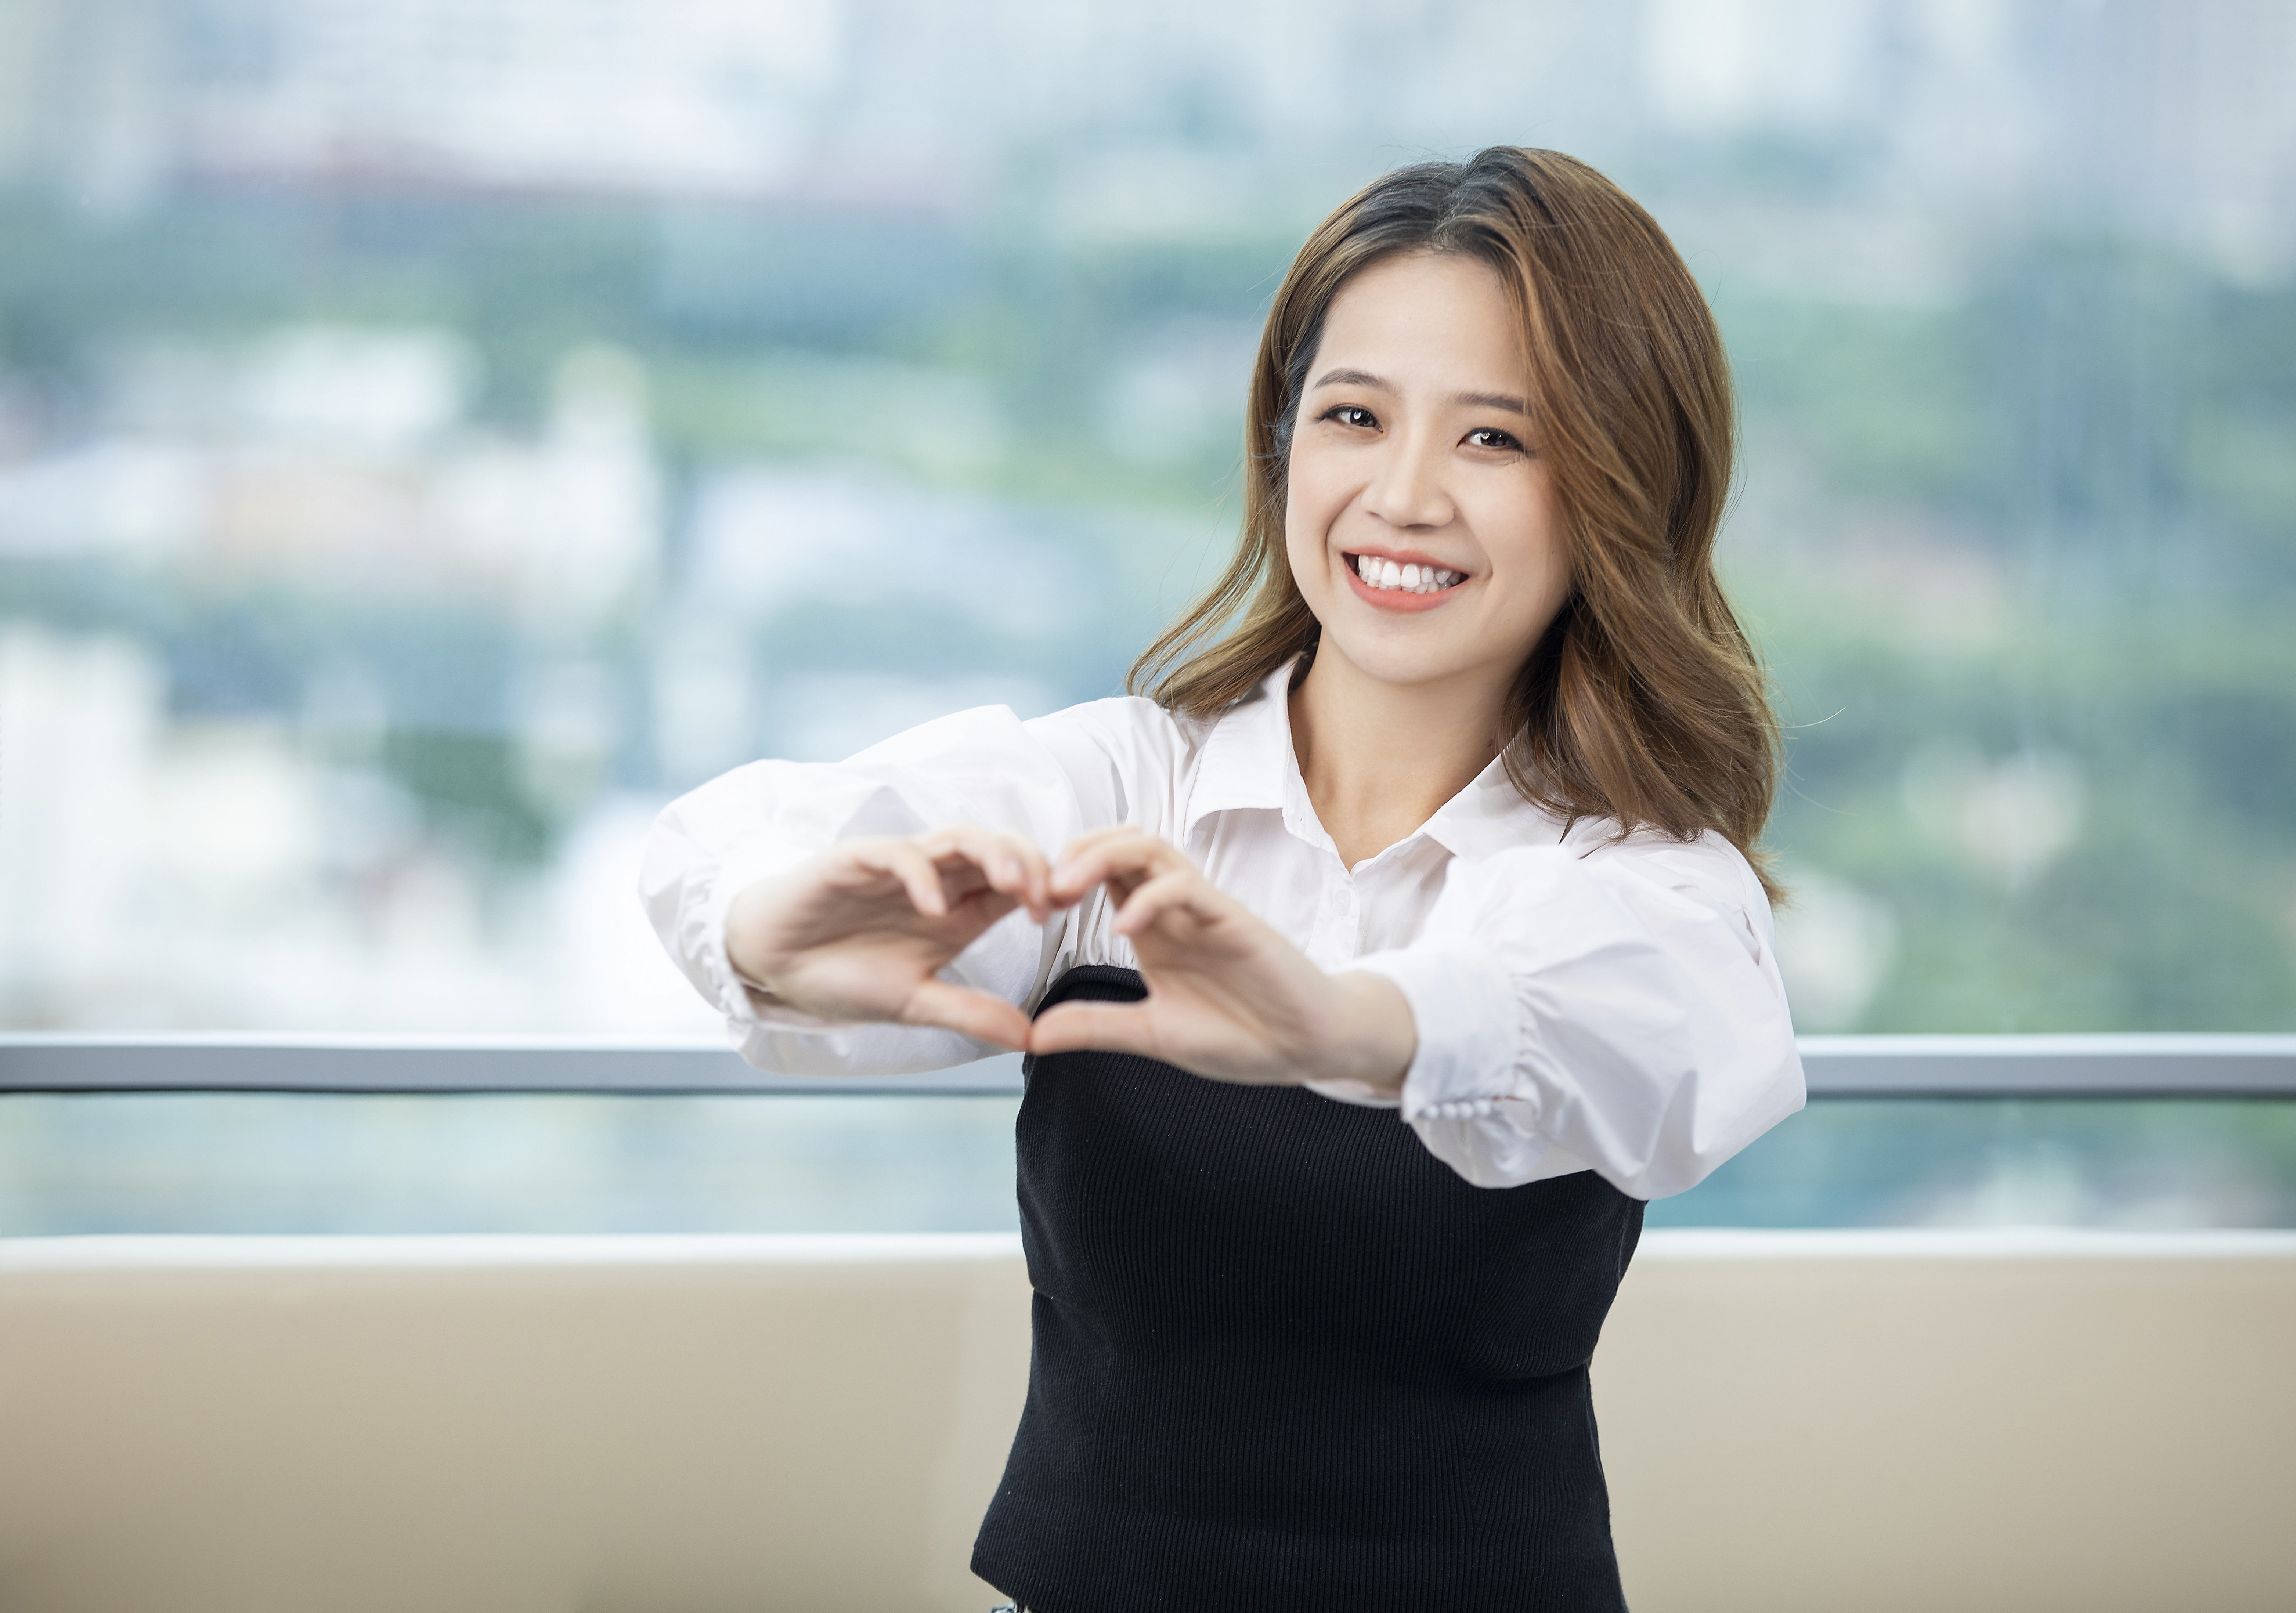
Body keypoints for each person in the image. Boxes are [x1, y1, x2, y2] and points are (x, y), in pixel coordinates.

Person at [641, 146, 1803, 1613]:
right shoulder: (1134, 788)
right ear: (1283, 446)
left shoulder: (1632, 880)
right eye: (1353, 416)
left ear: (1622, 485)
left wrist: (1349, 1024)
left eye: (1496, 440)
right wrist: (773, 928)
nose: (1402, 494)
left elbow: (1672, 1042)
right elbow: (735, 843)